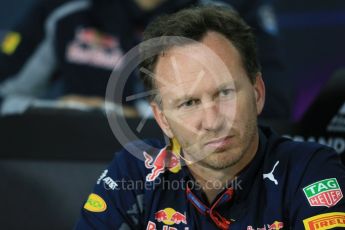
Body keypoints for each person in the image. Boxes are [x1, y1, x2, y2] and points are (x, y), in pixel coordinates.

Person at [75, 6, 345, 229]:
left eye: (225, 93)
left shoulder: (309, 171)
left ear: (258, 93)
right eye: (189, 102)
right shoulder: (132, 172)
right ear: (163, 119)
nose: (214, 121)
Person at [0, 0, 290, 119]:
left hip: (195, 186)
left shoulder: (228, 11)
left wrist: (138, 115)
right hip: (72, 173)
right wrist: (65, 112)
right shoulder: (65, 9)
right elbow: (5, 95)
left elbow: (270, 106)